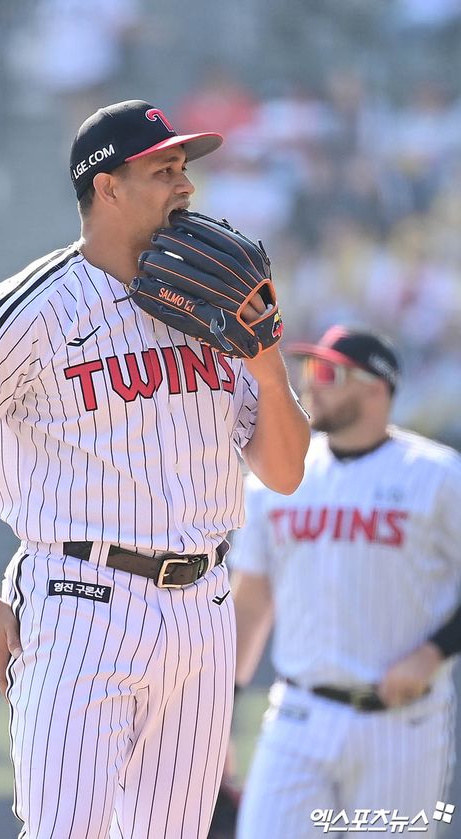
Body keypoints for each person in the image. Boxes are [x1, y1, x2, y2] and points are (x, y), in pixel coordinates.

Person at [0, 98, 309, 839]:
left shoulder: (212, 301)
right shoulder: (22, 311)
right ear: (105, 186)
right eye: (164, 169)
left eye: (185, 169)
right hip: (83, 602)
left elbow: (286, 471)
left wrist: (268, 362)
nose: (187, 186)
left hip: (204, 607)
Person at [230, 325, 461, 838]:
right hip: (296, 715)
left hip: (401, 724)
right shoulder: (279, 478)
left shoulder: (439, 475)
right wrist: (223, 713)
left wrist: (434, 652)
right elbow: (251, 602)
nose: (313, 384)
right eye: (310, 369)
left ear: (377, 386)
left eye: (330, 372)